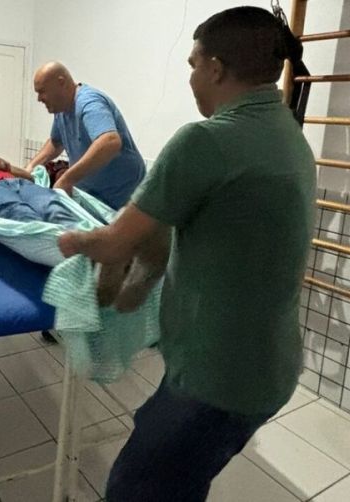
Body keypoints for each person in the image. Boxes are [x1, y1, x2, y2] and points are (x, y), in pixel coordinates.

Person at [58, 7, 314, 501]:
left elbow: (114, 243)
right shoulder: (286, 133)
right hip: (271, 366)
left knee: (135, 489)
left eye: (193, 65)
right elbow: (219, 225)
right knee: (178, 478)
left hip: (217, 379)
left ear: (215, 69)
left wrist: (71, 241)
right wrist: (145, 272)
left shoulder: (206, 140)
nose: (190, 77)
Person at [25, 61, 145, 211]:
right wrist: (30, 168)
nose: (39, 99)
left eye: (42, 91)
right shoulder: (61, 110)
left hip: (121, 199)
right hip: (92, 197)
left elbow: (110, 142)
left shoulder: (89, 103)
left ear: (61, 82)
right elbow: (56, 142)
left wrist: (67, 179)